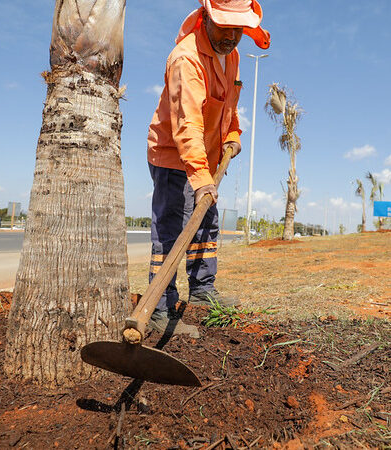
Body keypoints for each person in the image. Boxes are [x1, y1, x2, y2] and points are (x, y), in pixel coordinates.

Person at [146, 0, 270, 337]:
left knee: (205, 224)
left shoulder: (232, 55)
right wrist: (201, 179)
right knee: (171, 231)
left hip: (208, 156)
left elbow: (228, 103)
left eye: (238, 29)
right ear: (206, 18)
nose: (231, 36)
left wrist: (232, 133)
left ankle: (202, 291)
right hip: (174, 155)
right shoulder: (186, 59)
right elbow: (187, 125)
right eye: (224, 27)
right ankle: (159, 310)